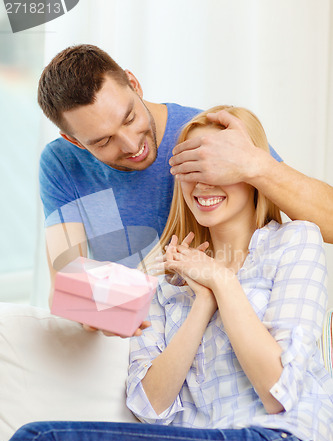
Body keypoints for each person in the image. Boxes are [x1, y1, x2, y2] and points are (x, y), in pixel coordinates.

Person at [3, 106, 333, 441]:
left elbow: (277, 391)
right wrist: (201, 303)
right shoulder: (167, 282)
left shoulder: (294, 242)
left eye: (215, 168)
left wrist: (222, 281)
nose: (203, 183)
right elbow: (150, 406)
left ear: (247, 171)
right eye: (190, 171)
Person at [38, 44, 333, 314]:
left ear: (134, 84)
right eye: (103, 141)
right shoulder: (62, 164)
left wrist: (255, 164)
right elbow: (67, 289)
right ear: (74, 142)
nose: (131, 145)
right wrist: (142, 285)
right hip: (143, 336)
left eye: (129, 118)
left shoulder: (204, 134)